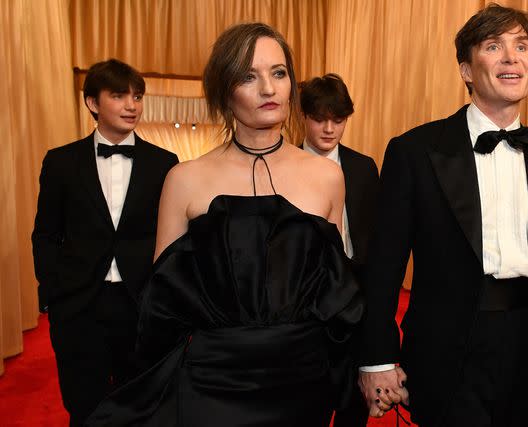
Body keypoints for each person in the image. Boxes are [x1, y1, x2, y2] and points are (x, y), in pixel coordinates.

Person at [84, 23, 363, 427]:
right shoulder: (185, 179)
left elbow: (332, 291)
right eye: (249, 76)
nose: (269, 89)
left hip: (302, 379)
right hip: (213, 380)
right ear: (224, 92)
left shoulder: (327, 177)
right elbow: (161, 305)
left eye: (279, 73)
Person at [357, 4, 528, 427]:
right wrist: (377, 357)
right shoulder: (416, 152)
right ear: (466, 69)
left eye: (521, 46)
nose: (512, 57)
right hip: (447, 350)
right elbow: (384, 268)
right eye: (494, 46)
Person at [31, 58, 179, 427]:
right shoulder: (61, 162)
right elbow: (46, 234)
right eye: (119, 95)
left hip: (140, 304)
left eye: (138, 97)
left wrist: (162, 298)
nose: (132, 105)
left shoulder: (165, 163)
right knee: (84, 407)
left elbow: (173, 238)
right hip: (80, 305)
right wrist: (53, 293)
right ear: (93, 103)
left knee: (142, 407)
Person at [299, 73, 379, 427]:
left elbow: (375, 235)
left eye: (339, 119)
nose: (329, 128)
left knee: (353, 401)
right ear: (302, 116)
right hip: (304, 296)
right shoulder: (282, 165)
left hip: (355, 291)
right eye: (319, 118)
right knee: (307, 396)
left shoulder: (363, 167)